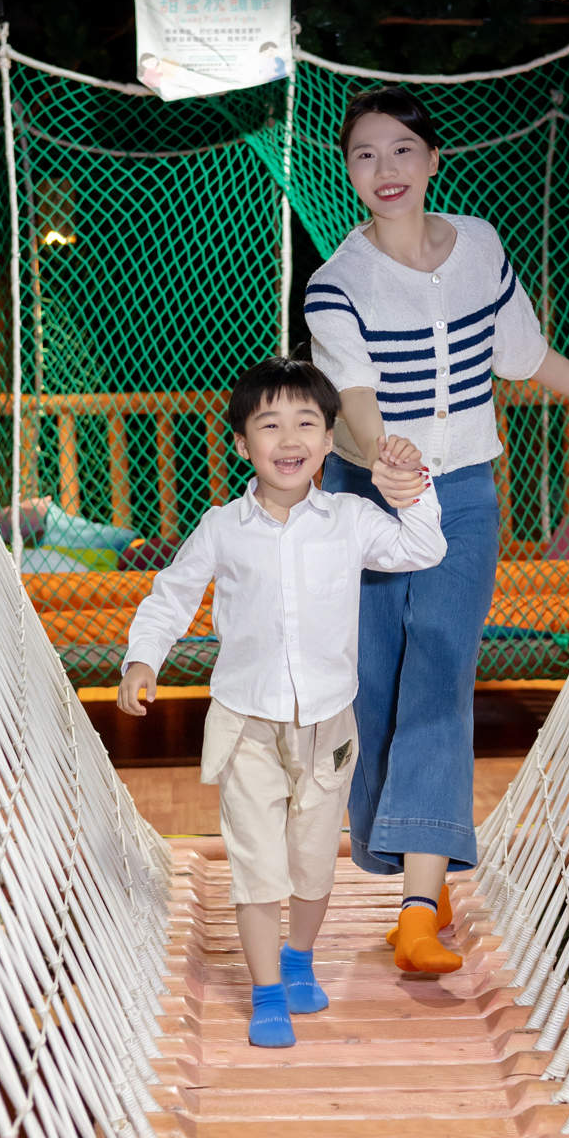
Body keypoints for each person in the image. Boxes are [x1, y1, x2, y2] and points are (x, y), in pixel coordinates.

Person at [306, 87, 569, 974]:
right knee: (372, 690)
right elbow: (356, 405)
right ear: (351, 173)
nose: (386, 169)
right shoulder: (336, 282)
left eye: (402, 150)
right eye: (365, 155)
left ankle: (416, 906)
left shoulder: (479, 244)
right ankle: (421, 859)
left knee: (441, 677)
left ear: (432, 159)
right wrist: (384, 457)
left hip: (465, 499)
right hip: (365, 500)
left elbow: (522, 355)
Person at [116, 357, 446, 1046]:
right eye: (270, 424)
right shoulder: (221, 528)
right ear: (243, 443)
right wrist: (144, 658)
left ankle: (299, 955)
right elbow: (171, 596)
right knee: (258, 867)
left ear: (330, 441)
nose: (289, 437)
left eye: (307, 423)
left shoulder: (351, 520)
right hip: (246, 724)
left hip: (331, 723)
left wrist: (413, 484)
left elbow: (424, 546)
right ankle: (268, 989)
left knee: (313, 862)